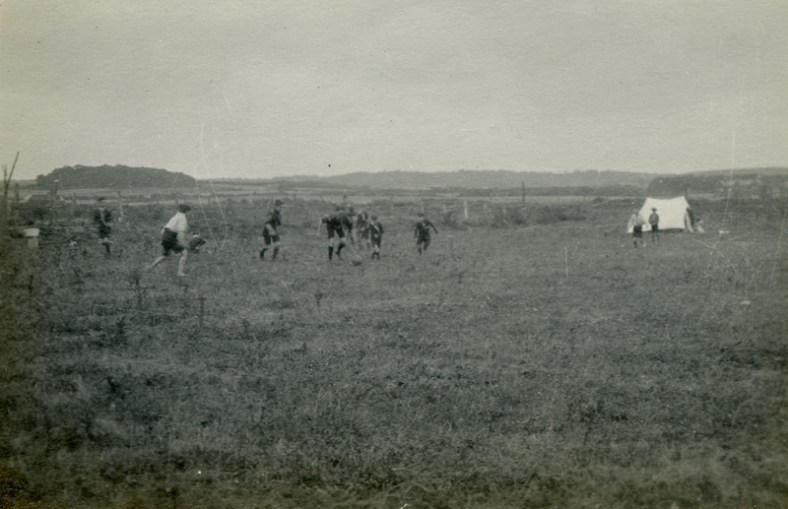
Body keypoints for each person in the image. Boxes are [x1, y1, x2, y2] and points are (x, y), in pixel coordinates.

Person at [149, 203, 191, 277]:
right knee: (185, 252)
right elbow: (181, 233)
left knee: (165, 255)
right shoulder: (183, 219)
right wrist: (183, 244)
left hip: (166, 235)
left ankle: (151, 267)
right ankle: (180, 273)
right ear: (186, 211)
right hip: (171, 236)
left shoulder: (175, 216)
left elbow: (162, 231)